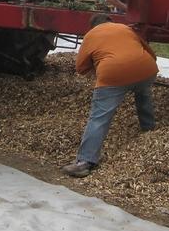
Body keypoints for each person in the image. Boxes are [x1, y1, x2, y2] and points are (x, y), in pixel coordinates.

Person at [61, 14, 158, 178]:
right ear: (111, 22)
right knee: (143, 93)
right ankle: (150, 130)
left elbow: (80, 68)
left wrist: (97, 69)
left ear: (93, 26)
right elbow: (151, 53)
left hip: (113, 74)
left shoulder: (91, 35)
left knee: (99, 117)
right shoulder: (125, 28)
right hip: (147, 68)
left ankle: (85, 162)